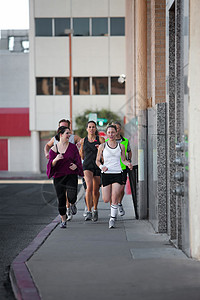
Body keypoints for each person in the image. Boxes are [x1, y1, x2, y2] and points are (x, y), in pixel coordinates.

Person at [96, 124, 133, 228]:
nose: (111, 134)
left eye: (113, 132)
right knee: (106, 199)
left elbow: (123, 160)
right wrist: (101, 167)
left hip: (117, 173)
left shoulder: (121, 146)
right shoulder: (102, 146)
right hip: (106, 174)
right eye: (109, 132)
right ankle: (113, 213)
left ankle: (112, 218)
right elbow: (97, 161)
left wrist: (128, 164)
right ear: (106, 134)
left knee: (115, 197)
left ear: (116, 133)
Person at [44, 119, 81, 221]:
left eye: (69, 132)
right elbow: (50, 164)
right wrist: (54, 159)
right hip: (59, 176)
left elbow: (78, 158)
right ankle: (63, 220)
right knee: (61, 199)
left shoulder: (73, 146)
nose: (69, 135)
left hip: (71, 174)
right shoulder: (54, 148)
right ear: (60, 134)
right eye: (67, 133)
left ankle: (72, 203)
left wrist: (76, 166)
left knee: (71, 196)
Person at [79, 121, 105, 221]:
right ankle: (88, 211)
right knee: (89, 187)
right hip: (87, 166)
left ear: (95, 128)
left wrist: (100, 153)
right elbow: (81, 153)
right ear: (87, 129)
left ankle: (95, 209)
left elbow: (105, 154)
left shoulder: (101, 139)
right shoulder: (83, 140)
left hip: (97, 165)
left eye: (93, 127)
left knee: (95, 191)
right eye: (89, 127)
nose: (91, 129)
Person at [106, 121, 132, 216]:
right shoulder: (106, 142)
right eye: (112, 128)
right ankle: (113, 209)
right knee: (111, 191)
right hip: (110, 169)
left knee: (121, 189)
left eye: (116, 128)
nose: (114, 130)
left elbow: (129, 151)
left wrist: (128, 161)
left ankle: (119, 203)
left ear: (119, 130)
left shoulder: (125, 141)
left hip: (122, 168)